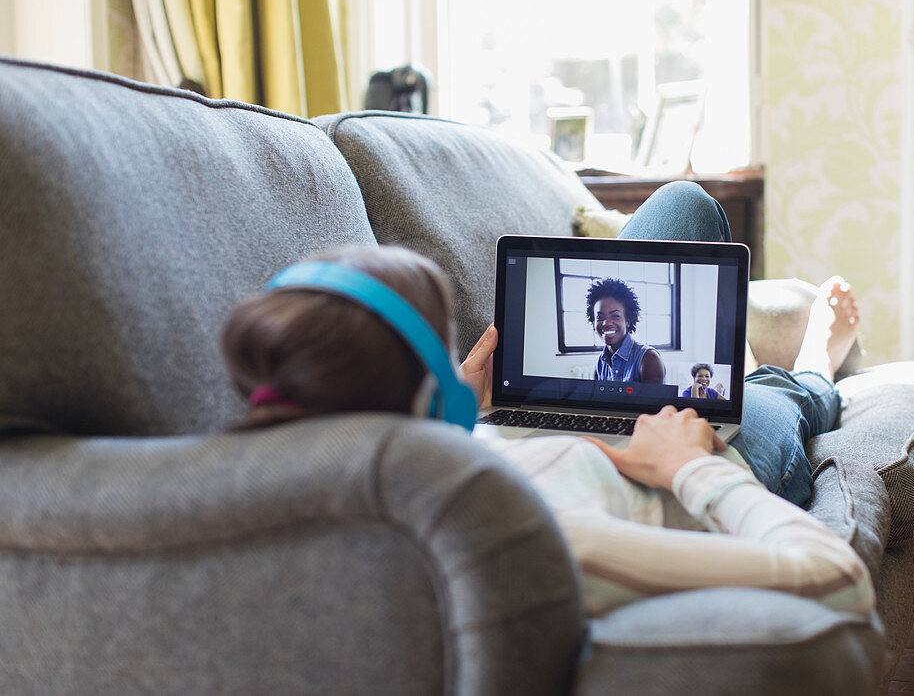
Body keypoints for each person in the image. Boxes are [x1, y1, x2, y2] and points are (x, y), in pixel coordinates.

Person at [221, 181, 871, 616]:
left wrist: (470, 417)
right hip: (669, 467)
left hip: (515, 435)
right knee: (768, 397)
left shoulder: (275, 485)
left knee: (683, 203)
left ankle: (730, 350)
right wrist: (687, 464)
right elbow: (838, 577)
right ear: (430, 395)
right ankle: (813, 360)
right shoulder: (539, 538)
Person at [587, 277, 665, 384]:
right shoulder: (600, 364)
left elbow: (655, 401)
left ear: (628, 320)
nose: (606, 323)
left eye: (615, 316)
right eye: (600, 317)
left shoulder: (649, 359)